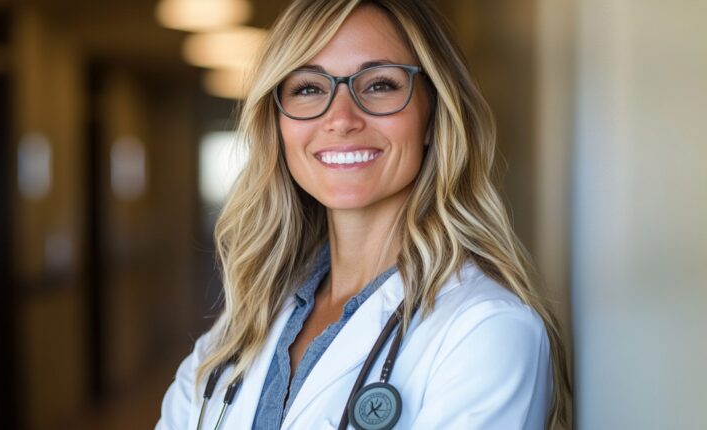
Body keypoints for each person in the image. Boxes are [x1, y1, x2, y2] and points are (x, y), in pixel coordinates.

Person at [156, 0, 572, 429]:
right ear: (277, 124)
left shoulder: (487, 331)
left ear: (432, 117)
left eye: (379, 85)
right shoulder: (242, 329)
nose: (341, 118)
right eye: (308, 88)